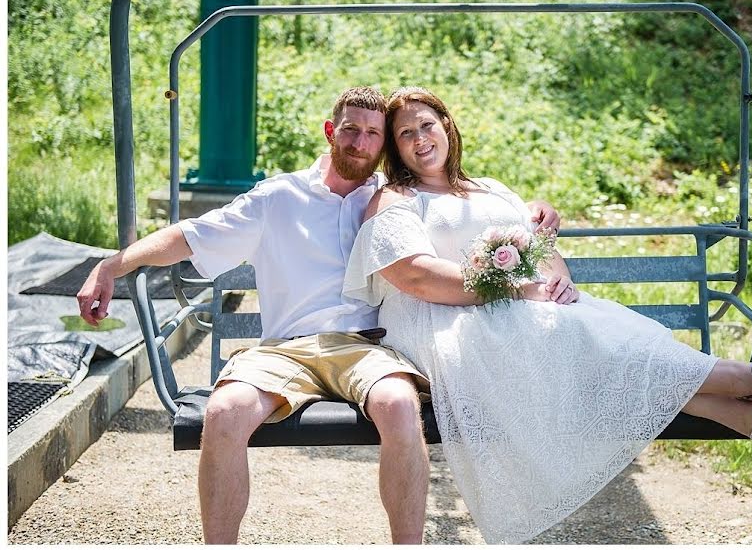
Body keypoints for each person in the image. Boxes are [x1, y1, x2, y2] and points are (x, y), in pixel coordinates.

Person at [342, 86, 752, 544]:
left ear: (447, 127)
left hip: (521, 317)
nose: (419, 139)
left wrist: (558, 277)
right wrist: (512, 289)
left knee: (612, 350)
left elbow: (537, 248)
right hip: (445, 326)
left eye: (426, 125)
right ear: (396, 149)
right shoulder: (395, 198)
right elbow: (418, 277)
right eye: (405, 134)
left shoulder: (490, 189)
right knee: (603, 349)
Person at [76, 86, 561, 544]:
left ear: (383, 144)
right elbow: (190, 236)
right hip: (286, 349)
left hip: (363, 346)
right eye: (351, 130)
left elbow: (470, 209)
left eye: (373, 134)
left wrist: (531, 211)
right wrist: (112, 265)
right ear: (331, 132)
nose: (361, 142)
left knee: (398, 404)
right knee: (224, 411)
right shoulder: (278, 198)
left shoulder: (390, 198)